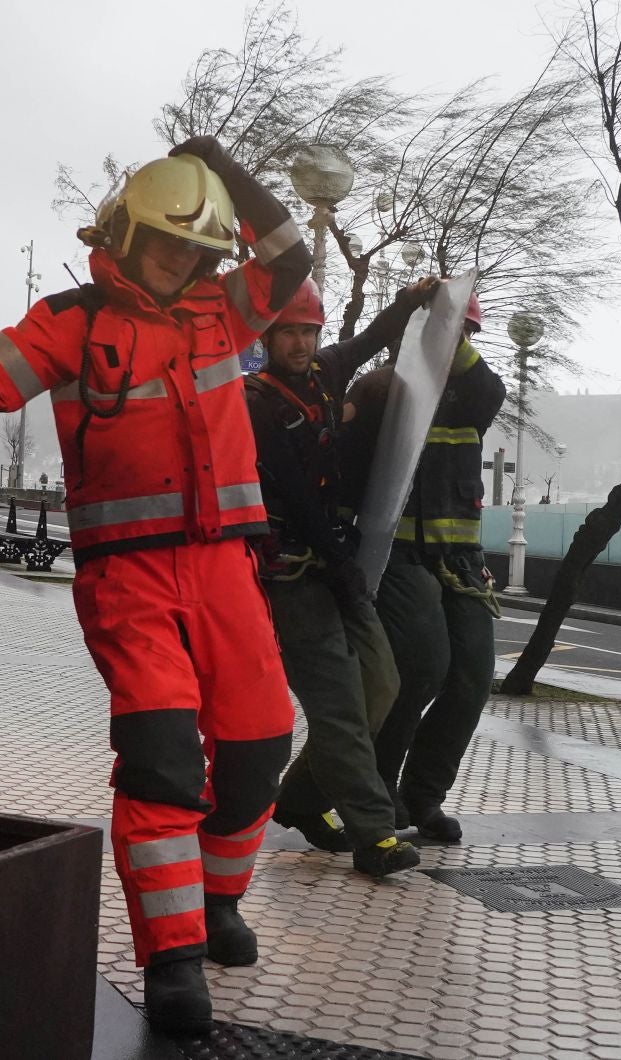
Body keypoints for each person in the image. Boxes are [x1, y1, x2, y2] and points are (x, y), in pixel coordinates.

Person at [0, 137, 311, 1035]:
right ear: (126, 228)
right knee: (159, 759)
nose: (183, 259)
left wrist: (220, 165)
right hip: (131, 578)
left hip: (226, 565)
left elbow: (290, 255)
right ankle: (174, 955)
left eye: (197, 248)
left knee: (260, 743)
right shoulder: (69, 321)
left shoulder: (226, 311)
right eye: (167, 241)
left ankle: (219, 897)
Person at [245, 276, 438, 879]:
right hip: (295, 572)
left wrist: (414, 300)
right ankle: (373, 834)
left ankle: (300, 799)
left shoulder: (325, 372)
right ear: (268, 336)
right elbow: (296, 496)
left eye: (309, 331)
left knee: (383, 684)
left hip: (337, 562)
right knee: (338, 704)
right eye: (289, 333)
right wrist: (338, 560)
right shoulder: (256, 403)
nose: (301, 344)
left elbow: (374, 335)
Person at [342, 291, 506, 843]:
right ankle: (380, 793)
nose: (457, 341)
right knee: (422, 667)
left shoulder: (473, 390)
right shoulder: (377, 390)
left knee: (472, 677)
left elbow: (488, 389)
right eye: (443, 330)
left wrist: (448, 321)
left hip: (459, 559)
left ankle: (423, 795)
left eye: (464, 333)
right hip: (398, 556)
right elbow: (348, 479)